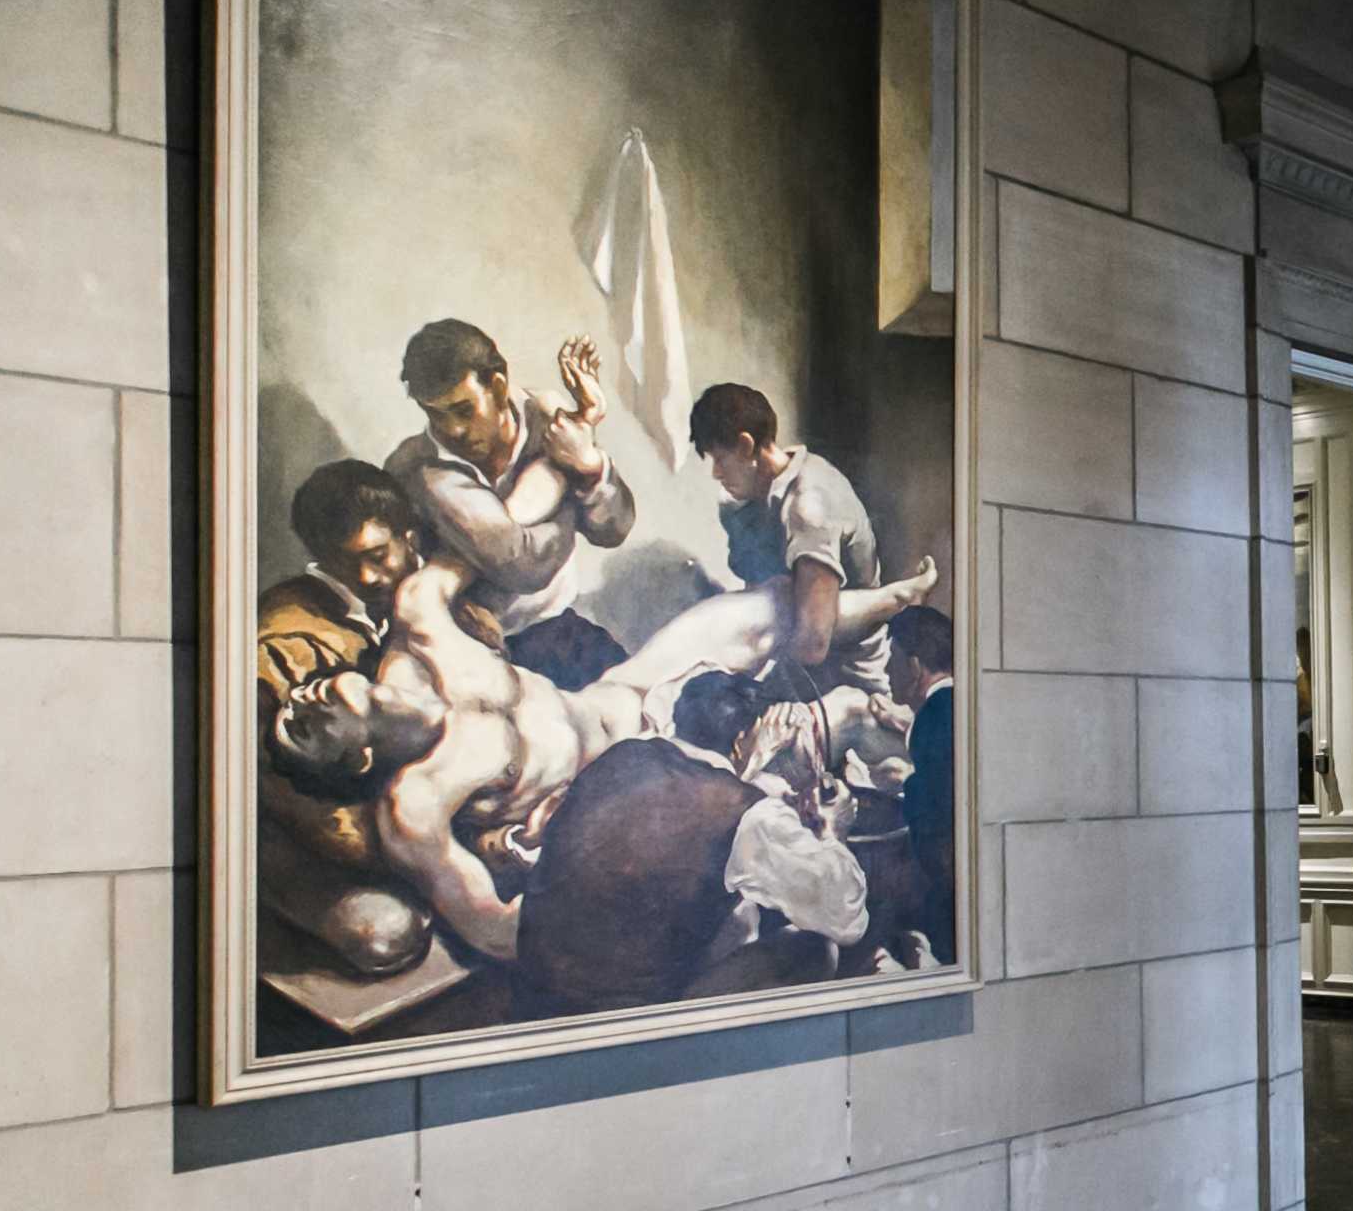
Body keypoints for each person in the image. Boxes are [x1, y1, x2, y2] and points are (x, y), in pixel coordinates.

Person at [264, 541, 937, 967]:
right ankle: (890, 742)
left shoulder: (421, 619)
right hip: (641, 782)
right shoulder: (412, 807)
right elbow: (500, 932)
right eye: (302, 731)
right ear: (353, 763)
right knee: (828, 745)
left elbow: (509, 541)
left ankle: (891, 620)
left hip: (620, 693)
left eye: (293, 702)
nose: (299, 702)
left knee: (759, 611)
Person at [251, 461, 434, 978]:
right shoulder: (282, 641)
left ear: (408, 535)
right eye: (341, 562)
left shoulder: (434, 602)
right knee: (384, 935)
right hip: (328, 840)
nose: (366, 578)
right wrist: (407, 845)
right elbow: (292, 799)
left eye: (378, 556)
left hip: (423, 811)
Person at [385, 317, 635, 689]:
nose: (452, 430)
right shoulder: (421, 470)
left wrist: (590, 464)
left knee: (637, 706)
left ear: (499, 387)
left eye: (463, 410)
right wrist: (572, 450)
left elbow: (613, 529)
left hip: (557, 631)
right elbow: (522, 566)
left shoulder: (543, 418)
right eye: (435, 414)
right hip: (467, 651)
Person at [688, 381, 889, 696]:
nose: (715, 472)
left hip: (845, 684)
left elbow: (813, 643)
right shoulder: (758, 496)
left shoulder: (809, 506)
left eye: (719, 458)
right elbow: (762, 592)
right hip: (793, 670)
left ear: (745, 446)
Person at [885, 603, 962, 946]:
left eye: (892, 659)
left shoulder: (934, 716)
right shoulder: (954, 705)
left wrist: (905, 785)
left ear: (914, 666)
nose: (887, 671)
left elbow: (934, 821)